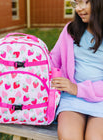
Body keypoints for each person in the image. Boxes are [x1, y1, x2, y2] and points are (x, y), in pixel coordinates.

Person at [50, 0, 103, 139]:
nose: (79, 8)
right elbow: (53, 60)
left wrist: (77, 88)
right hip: (72, 99)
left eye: (85, 2)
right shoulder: (71, 30)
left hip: (101, 100)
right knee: (69, 136)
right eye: (76, 3)